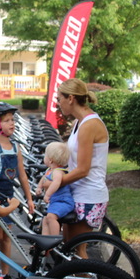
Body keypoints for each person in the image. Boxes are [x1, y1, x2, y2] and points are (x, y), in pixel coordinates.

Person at [0, 102, 35, 279]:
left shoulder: (15, 147)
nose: (12, 123)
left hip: (8, 198)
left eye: (13, 120)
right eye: (7, 120)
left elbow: (22, 175)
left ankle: (5, 275)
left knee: (6, 238)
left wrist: (28, 198)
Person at [56, 78, 110, 249]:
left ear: (70, 98)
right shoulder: (79, 122)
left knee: (78, 252)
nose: (58, 104)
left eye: (59, 99)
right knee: (68, 248)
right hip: (77, 193)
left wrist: (55, 183)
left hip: (89, 195)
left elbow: (83, 170)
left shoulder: (89, 124)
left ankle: (88, 277)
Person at [34, 141, 75, 236]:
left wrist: (47, 194)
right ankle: (46, 241)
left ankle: (54, 240)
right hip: (56, 202)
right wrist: (39, 187)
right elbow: (43, 178)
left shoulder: (58, 172)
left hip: (63, 201)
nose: (44, 157)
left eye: (45, 155)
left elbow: (56, 183)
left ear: (51, 160)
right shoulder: (49, 170)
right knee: (45, 219)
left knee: (51, 217)